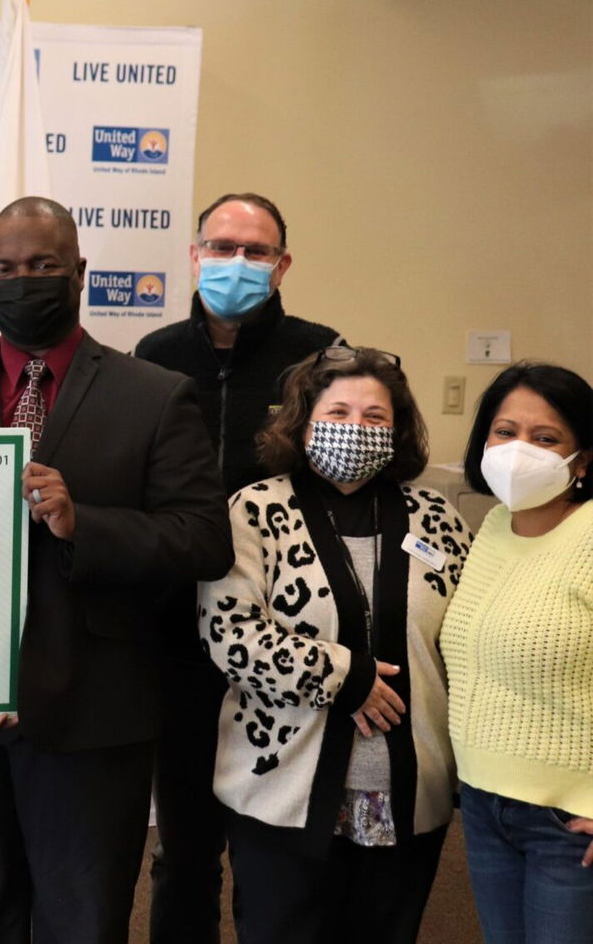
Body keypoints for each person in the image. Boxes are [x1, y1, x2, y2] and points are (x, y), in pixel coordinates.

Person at [0, 196, 231, 944]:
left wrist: (86, 526)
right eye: (4, 269)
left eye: (42, 266)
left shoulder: (155, 394)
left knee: (85, 923)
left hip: (95, 716)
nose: (23, 281)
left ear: (78, 271)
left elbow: (204, 541)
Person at [200, 346, 470, 944]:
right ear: (302, 420)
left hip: (408, 791)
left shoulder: (438, 518)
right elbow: (229, 633)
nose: (356, 429)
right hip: (283, 790)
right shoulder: (255, 508)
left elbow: (468, 641)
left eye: (375, 417)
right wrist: (342, 678)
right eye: (339, 411)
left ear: (397, 430)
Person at [133, 191, 340, 943]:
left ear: (282, 265)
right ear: (194, 256)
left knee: (273, 846)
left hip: (281, 635)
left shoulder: (324, 357)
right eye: (221, 248)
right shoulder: (155, 356)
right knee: (184, 844)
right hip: (176, 637)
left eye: (256, 252)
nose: (237, 264)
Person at [440, 363, 593, 943]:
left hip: (568, 820)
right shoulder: (495, 527)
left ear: (582, 460)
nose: (518, 450)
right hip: (482, 803)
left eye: (545, 437)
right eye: (505, 432)